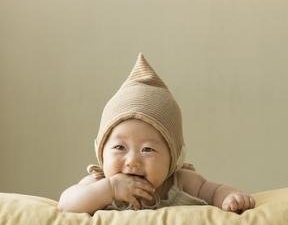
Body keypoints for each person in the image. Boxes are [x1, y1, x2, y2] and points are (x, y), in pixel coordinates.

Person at [58, 53, 256, 215]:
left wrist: (230, 197)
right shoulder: (98, 184)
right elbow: (66, 203)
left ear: (174, 157)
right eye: (119, 147)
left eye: (147, 149)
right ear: (100, 152)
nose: (132, 161)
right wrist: (109, 189)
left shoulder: (181, 182)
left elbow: (214, 191)